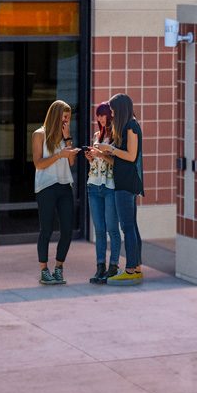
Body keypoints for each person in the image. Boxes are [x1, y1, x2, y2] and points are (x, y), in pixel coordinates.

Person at [88, 94, 146, 285]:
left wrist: (109, 148)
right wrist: (103, 153)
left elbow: (130, 156)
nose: (111, 113)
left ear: (120, 109)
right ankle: (135, 266)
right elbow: (121, 159)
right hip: (123, 182)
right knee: (132, 226)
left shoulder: (131, 126)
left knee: (127, 227)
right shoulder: (128, 126)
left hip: (126, 184)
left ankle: (130, 269)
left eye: (112, 110)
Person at [31, 99, 78, 285]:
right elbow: (38, 163)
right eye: (64, 117)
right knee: (47, 229)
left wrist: (67, 138)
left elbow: (71, 163)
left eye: (69, 118)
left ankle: (59, 267)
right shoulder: (39, 134)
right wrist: (60, 154)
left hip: (65, 185)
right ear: (56, 116)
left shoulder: (65, 135)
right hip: (46, 186)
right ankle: (44, 270)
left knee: (67, 230)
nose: (67, 121)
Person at [84, 101, 119, 283]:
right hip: (94, 185)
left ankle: (113, 266)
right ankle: (100, 267)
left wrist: (101, 154)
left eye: (101, 114)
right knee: (99, 229)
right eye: (97, 115)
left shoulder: (116, 138)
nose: (99, 118)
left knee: (112, 228)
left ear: (109, 115)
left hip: (110, 187)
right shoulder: (98, 135)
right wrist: (91, 158)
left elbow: (117, 163)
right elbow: (96, 163)